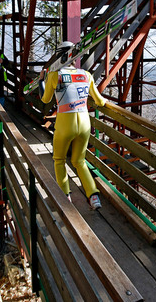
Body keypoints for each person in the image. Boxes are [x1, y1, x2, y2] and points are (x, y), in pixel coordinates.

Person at [39, 41, 106, 210]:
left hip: (65, 123)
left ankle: (65, 197)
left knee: (59, 160)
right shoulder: (86, 74)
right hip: (84, 123)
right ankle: (94, 196)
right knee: (79, 160)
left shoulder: (55, 75)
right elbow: (99, 101)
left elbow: (45, 99)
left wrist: (42, 81)